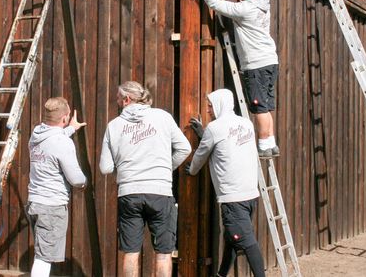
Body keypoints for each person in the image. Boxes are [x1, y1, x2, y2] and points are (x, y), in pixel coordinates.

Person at [99, 81, 191, 277]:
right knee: (164, 254)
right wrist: (166, 168)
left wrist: (125, 169)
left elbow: (105, 168)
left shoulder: (113, 126)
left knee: (131, 252)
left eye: (117, 97)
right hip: (160, 191)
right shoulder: (163, 117)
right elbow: (185, 148)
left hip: (129, 193)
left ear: (126, 99)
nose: (116, 101)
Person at [188, 0, 280, 157]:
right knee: (266, 105)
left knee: (259, 107)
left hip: (257, 63)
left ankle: (264, 146)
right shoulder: (263, 2)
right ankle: (271, 144)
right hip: (270, 60)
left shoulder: (245, 8)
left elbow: (214, 4)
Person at [186, 88, 265, 277]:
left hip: (232, 197)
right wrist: (204, 133)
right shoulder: (246, 124)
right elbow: (228, 147)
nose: (208, 110)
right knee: (231, 237)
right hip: (250, 194)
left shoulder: (215, 128)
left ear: (220, 105)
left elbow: (201, 155)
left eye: (210, 106)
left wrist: (192, 170)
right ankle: (221, 275)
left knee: (245, 241)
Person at [26, 97, 87, 277]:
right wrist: (84, 182)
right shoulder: (62, 143)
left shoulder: (36, 135)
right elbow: (75, 178)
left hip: (35, 203)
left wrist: (70, 129)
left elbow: (53, 141)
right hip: (51, 207)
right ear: (64, 118)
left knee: (42, 252)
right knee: (44, 258)